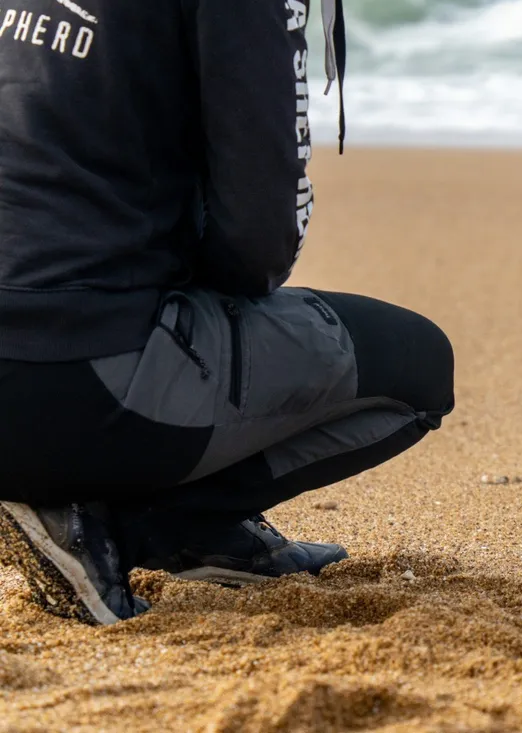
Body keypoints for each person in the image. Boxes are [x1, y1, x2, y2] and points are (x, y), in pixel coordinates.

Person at [0, 0, 454, 626]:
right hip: (72, 379)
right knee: (417, 368)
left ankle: (148, 506)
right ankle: (137, 521)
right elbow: (258, 241)